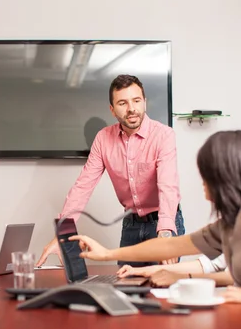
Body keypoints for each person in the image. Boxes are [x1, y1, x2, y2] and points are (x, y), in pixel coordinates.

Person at [70, 131, 241, 326]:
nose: (202, 182)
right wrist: (106, 254)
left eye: (205, 173)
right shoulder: (233, 219)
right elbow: (171, 245)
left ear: (223, 175)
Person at [37, 74, 184, 268]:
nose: (131, 109)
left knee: (163, 289)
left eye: (136, 101)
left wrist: (165, 233)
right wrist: (63, 234)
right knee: (126, 288)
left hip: (164, 223)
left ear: (145, 102)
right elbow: (83, 186)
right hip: (131, 225)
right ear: (112, 110)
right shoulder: (103, 139)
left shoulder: (164, 135)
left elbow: (167, 186)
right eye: (122, 103)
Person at [117, 145, 241, 288]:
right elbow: (209, 264)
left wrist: (182, 278)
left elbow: (237, 277)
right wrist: (144, 271)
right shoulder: (239, 221)